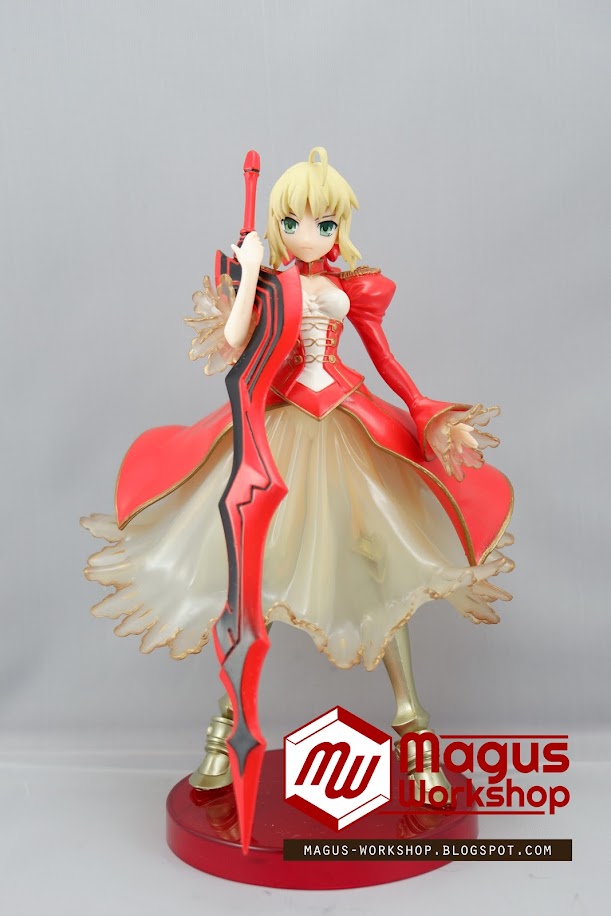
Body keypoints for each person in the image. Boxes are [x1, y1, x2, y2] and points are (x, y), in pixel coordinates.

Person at [82, 147, 513, 801]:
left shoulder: (353, 287)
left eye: (323, 223)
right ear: (277, 224)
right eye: (293, 222)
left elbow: (384, 358)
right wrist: (251, 271)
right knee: (247, 569)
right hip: (278, 427)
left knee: (384, 562)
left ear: (339, 227)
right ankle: (226, 729)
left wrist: (424, 410)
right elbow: (234, 345)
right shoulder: (265, 283)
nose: (307, 234)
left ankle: (413, 726)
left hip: (346, 429)